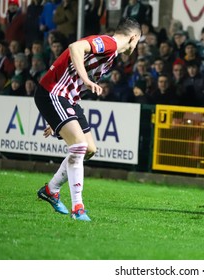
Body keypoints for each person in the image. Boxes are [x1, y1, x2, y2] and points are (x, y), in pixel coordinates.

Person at [34, 17, 141, 221]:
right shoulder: (108, 44)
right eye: (137, 42)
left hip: (67, 99)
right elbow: (75, 47)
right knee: (79, 146)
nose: (136, 47)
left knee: (90, 149)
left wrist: (55, 117)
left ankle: (51, 189)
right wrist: (86, 79)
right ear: (133, 37)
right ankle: (78, 208)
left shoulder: (110, 56)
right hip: (54, 93)